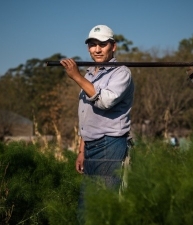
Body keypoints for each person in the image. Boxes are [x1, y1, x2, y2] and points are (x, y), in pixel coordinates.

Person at [60, 24, 134, 224]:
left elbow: (105, 101)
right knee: (86, 208)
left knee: (103, 206)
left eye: (102, 44)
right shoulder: (90, 74)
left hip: (110, 144)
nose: (97, 49)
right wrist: (82, 150)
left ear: (113, 46)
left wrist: (76, 76)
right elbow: (86, 114)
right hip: (91, 146)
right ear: (88, 48)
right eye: (93, 45)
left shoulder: (121, 73)